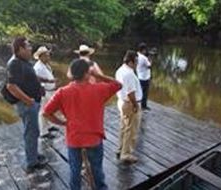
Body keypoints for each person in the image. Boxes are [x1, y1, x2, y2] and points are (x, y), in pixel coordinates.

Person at [43, 59, 122, 190]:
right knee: (97, 172)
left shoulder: (62, 92)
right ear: (87, 73)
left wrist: (62, 123)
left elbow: (46, 113)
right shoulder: (99, 89)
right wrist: (97, 75)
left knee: (75, 172)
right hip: (94, 139)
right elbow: (118, 84)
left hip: (74, 139)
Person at [6, 36, 47, 173]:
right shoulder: (14, 63)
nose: (30, 49)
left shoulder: (24, 61)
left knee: (33, 131)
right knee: (31, 132)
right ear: (20, 49)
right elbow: (11, 86)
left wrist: (46, 80)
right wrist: (28, 100)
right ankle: (32, 162)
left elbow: (31, 76)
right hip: (27, 105)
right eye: (28, 46)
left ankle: (33, 154)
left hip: (32, 103)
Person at [115, 50, 142, 163]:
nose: (137, 64)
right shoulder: (129, 73)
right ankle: (126, 154)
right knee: (131, 130)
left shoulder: (120, 70)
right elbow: (131, 92)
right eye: (136, 62)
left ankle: (121, 149)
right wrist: (135, 105)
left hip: (122, 102)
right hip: (130, 103)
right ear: (130, 62)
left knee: (124, 127)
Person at [33, 46, 58, 139]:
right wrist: (42, 89)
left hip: (50, 90)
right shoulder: (38, 67)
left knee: (50, 109)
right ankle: (43, 132)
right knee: (43, 111)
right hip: (44, 92)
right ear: (41, 56)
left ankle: (49, 126)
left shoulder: (45, 65)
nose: (48, 57)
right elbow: (36, 80)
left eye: (48, 55)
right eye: (46, 55)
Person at [136, 42, 152, 110]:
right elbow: (149, 66)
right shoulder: (144, 58)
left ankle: (139, 103)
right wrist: (150, 59)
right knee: (145, 92)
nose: (146, 51)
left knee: (140, 91)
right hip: (145, 78)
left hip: (139, 76)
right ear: (143, 50)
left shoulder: (136, 55)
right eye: (145, 50)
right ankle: (144, 106)